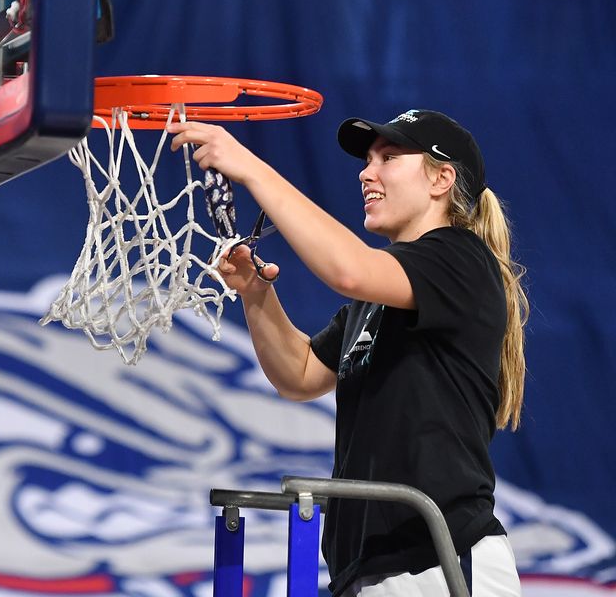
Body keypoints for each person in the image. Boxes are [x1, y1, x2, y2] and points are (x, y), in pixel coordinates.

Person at [168, 109, 527, 596]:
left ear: (442, 179)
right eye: (367, 159)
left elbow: (348, 269)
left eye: (389, 157)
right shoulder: (377, 297)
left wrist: (250, 166)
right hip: (370, 569)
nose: (366, 171)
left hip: (440, 561)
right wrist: (256, 293)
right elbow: (298, 374)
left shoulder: (461, 257)